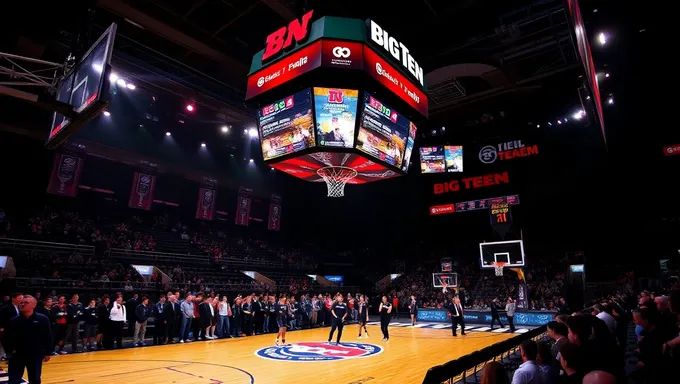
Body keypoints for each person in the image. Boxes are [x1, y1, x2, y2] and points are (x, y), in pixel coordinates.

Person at [1, 295, 52, 384]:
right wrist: (9, 352)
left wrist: (48, 352)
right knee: (13, 380)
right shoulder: (13, 321)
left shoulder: (42, 319)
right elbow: (5, 338)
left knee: (35, 379)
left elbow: (47, 336)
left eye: (26, 302)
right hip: (17, 356)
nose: (22, 304)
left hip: (35, 355)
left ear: (34, 305)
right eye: (21, 303)